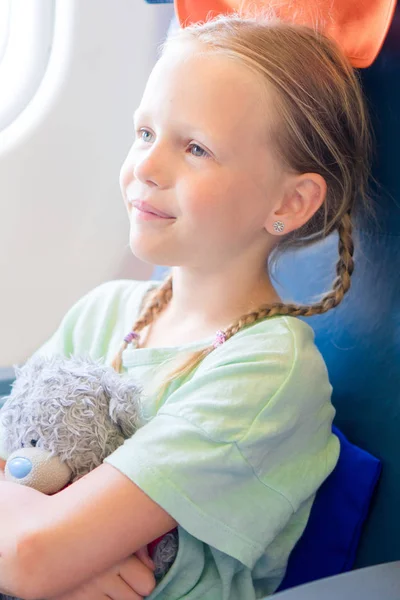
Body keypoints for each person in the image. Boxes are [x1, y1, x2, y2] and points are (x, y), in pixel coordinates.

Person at [0, 8, 372, 600]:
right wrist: (56, 555)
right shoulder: (105, 311)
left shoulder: (269, 372)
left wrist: (40, 549)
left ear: (292, 201)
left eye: (195, 147)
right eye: (145, 133)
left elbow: (30, 556)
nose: (145, 166)